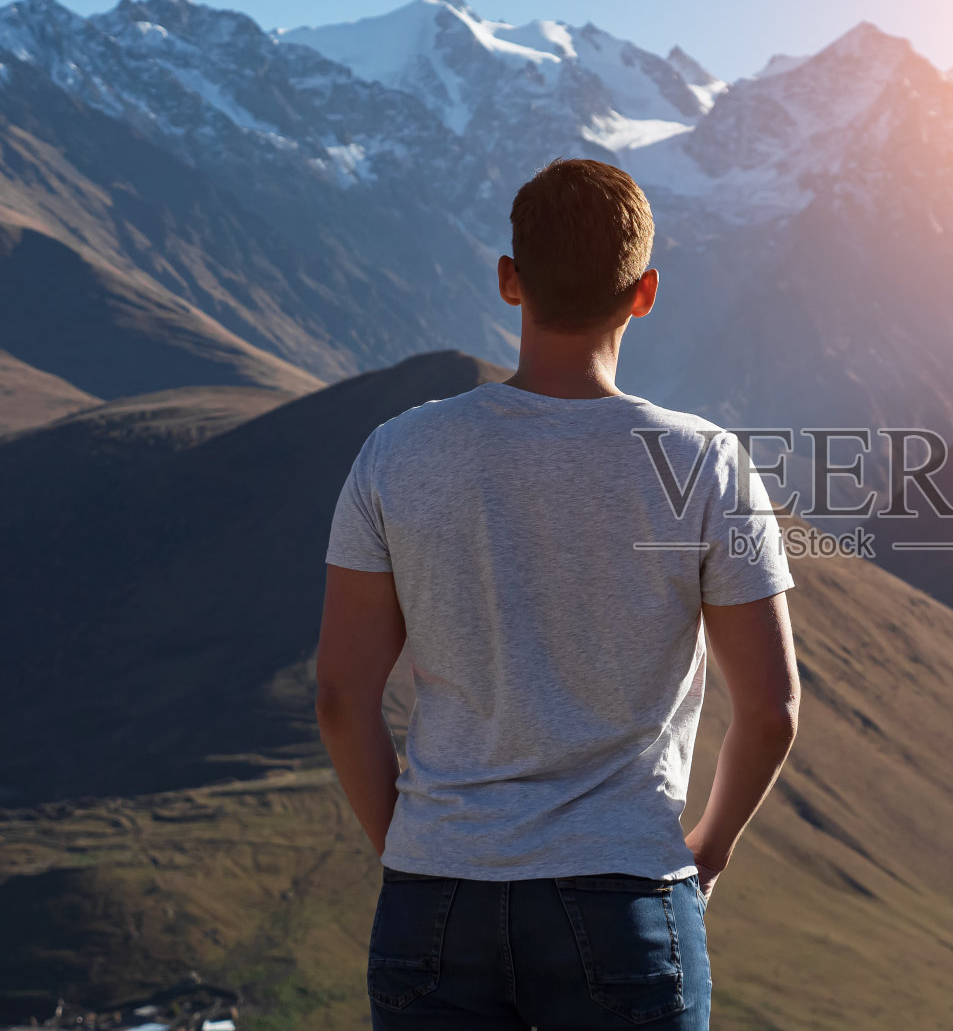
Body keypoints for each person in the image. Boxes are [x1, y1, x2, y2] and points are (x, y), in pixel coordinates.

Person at [314, 158, 800, 1030]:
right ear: (645, 293)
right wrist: (709, 852)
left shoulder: (396, 452)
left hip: (436, 893)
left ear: (509, 280)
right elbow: (771, 708)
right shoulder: (706, 462)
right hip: (625, 892)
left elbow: (340, 696)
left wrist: (417, 848)